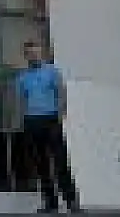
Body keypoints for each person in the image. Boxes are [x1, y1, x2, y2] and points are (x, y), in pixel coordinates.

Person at [15, 41, 80, 214]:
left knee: (60, 161)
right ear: (26, 56)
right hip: (32, 121)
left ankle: (71, 201)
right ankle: (50, 203)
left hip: (50, 119)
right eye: (29, 53)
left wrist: (61, 113)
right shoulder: (22, 77)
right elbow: (21, 100)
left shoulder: (52, 71)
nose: (33, 55)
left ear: (41, 53)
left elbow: (61, 92)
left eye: (36, 52)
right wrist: (24, 119)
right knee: (41, 163)